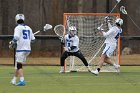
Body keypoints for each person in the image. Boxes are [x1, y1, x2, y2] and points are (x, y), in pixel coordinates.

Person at [9, 14, 35, 86]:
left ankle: (22, 81)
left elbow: (16, 37)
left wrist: (12, 42)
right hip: (28, 50)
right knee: (17, 64)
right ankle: (14, 80)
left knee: (19, 65)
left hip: (21, 50)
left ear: (16, 20)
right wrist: (27, 40)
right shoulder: (29, 28)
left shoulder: (17, 28)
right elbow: (33, 40)